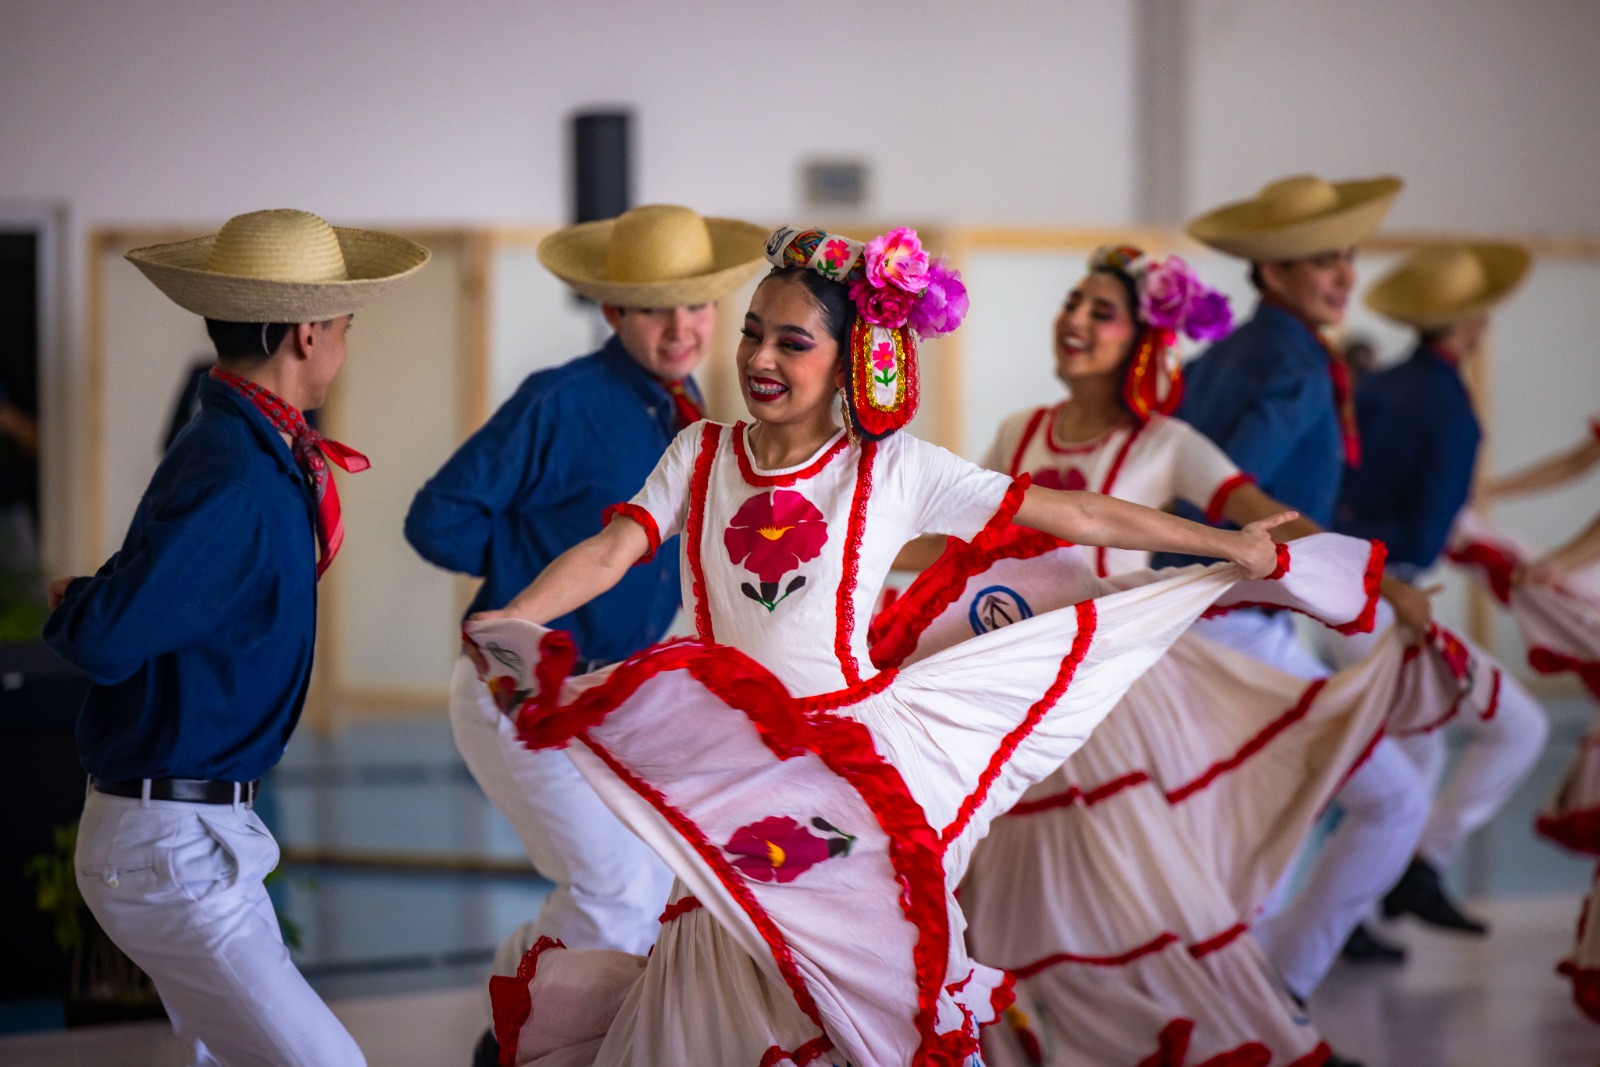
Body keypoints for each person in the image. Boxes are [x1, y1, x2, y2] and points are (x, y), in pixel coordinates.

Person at [468, 225, 1319, 1067]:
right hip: (732, 767)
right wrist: (514, 618)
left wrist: (1230, 545)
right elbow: (613, 548)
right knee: (723, 969)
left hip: (851, 765)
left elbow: (1080, 514)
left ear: (851, 360)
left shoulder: (897, 468)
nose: (760, 357)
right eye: (753, 333)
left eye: (792, 342)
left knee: (869, 989)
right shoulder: (702, 450)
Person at [940, 244, 1421, 1067]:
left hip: (1106, 701)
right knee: (1007, 897)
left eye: (1101, 312)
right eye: (1072, 303)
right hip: (1012, 697)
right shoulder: (1020, 431)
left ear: (1142, 340)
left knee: (1136, 894)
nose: (1075, 321)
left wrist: (1368, 577)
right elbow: (963, 546)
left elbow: (1264, 517)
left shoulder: (1169, 442)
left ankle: (1232, 1035)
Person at [43, 209, 429, 1067]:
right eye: (345, 327)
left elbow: (154, 590)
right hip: (170, 844)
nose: (343, 347)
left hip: (193, 834)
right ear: (307, 333)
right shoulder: (239, 474)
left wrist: (96, 595)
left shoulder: (243, 447)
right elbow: (109, 635)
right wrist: (83, 605)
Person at [403, 204, 767, 1063]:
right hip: (522, 683)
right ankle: (513, 1036)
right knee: (614, 892)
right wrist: (535, 575)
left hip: (612, 692)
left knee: (646, 888)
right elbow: (436, 517)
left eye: (696, 306)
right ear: (613, 311)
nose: (681, 328)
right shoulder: (561, 399)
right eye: (655, 309)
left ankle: (519, 1008)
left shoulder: (685, 406)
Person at [1165, 173, 1438, 1005]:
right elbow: (1234, 491)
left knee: (1261, 815)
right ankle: (1281, 987)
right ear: (1274, 271)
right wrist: (1378, 582)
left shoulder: (1229, 354)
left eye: (1348, 256)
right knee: (1392, 801)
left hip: (1202, 613)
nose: (1345, 274)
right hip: (1237, 618)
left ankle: (1252, 996)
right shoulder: (1292, 363)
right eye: (1324, 260)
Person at [1332, 243, 1549, 937]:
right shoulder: (1451, 408)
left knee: (1413, 753)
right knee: (1521, 727)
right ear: (1469, 323)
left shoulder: (1372, 389)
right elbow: (1426, 536)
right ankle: (1423, 865)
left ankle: (1360, 909)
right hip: (1388, 597)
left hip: (1338, 588)